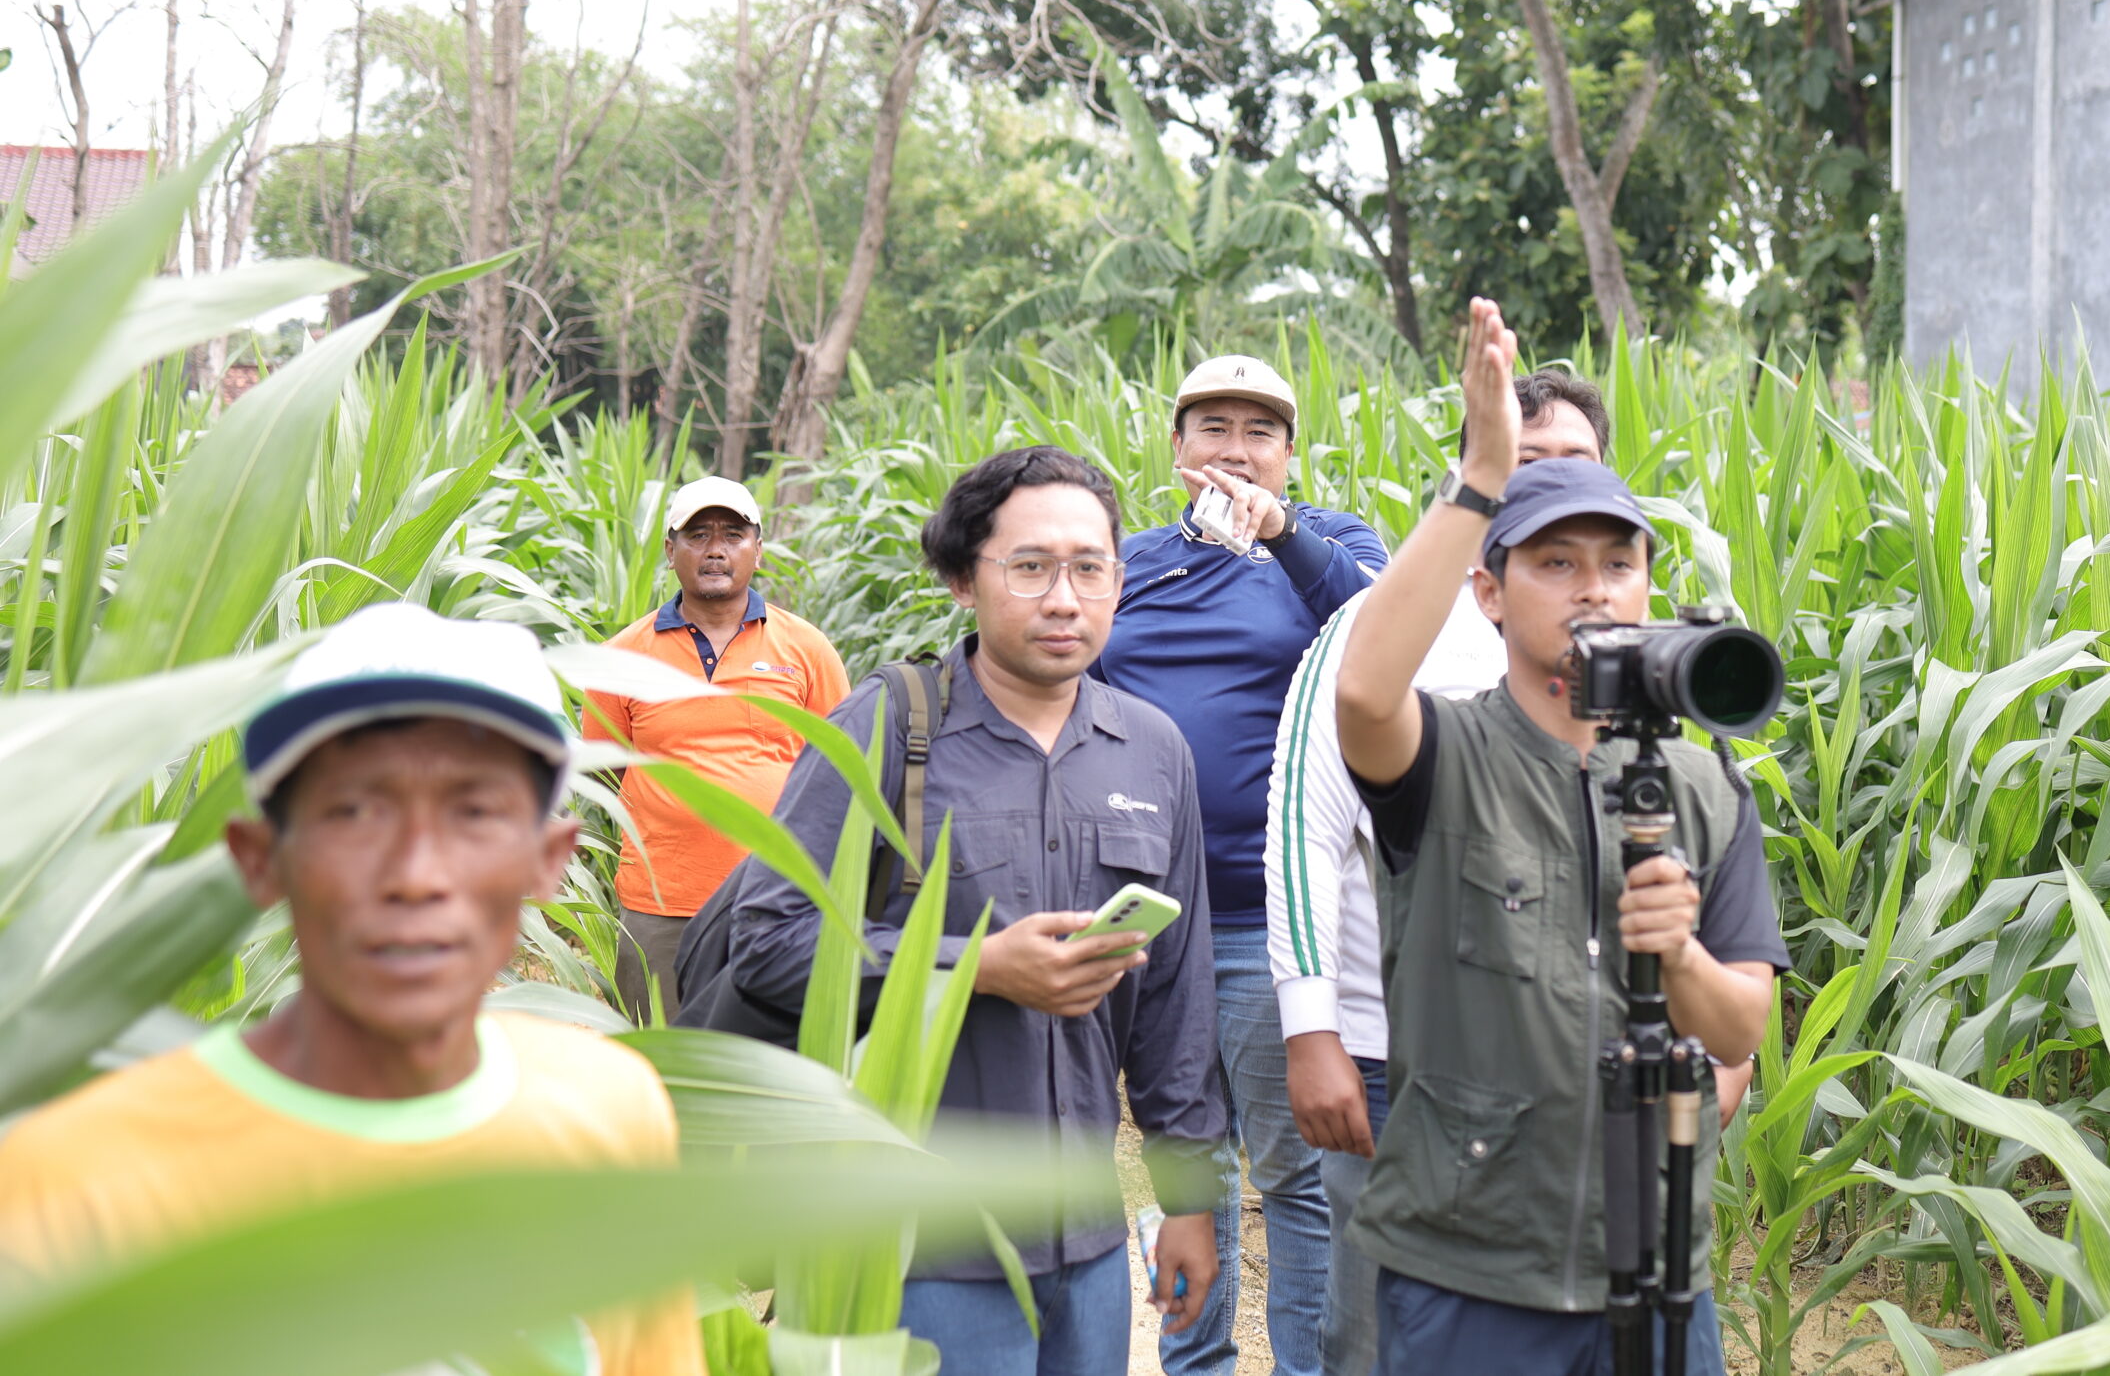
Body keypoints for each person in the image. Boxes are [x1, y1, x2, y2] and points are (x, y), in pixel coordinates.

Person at [0, 602, 705, 1376]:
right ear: (260, 858)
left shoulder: (611, 1115)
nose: (416, 874)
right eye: (354, 812)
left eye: (474, 812)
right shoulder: (73, 1183)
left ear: (549, 859)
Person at [1267, 373, 1768, 1376]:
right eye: (1554, 561)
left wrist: (1678, 958)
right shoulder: (1444, 755)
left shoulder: (1704, 785)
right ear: (1488, 591)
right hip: (1469, 1264)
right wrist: (1483, 476)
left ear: (1648, 587)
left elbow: (1739, 1027)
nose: (1593, 588)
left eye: (1618, 563)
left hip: (1658, 1260)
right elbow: (1364, 693)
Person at [726, 446, 1223, 1376]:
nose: (1065, 599)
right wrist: (978, 966)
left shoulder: (1153, 751)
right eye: (1030, 567)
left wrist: (1188, 1199)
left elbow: (1176, 1005)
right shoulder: (890, 725)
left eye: (1090, 567)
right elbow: (769, 940)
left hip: (1089, 1246)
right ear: (964, 579)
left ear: (1120, 580)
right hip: (921, 1245)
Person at [1091, 355, 1389, 1376]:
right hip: (1151, 921)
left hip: (1278, 922)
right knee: (1186, 1165)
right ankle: (1197, 1364)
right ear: (1177, 448)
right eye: (1212, 427)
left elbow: (1390, 637)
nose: (1235, 448)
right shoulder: (1125, 564)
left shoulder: (1332, 546)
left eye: (1259, 430)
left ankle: (1306, 1366)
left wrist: (1281, 533)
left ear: (1290, 453)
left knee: (1297, 1173)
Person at [582, 475, 850, 1019]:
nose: (715, 549)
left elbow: (840, 771)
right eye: (698, 535)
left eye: (732, 534)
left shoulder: (807, 649)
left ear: (758, 549)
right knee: (659, 1056)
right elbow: (604, 776)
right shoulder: (621, 658)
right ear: (670, 551)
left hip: (776, 904)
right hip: (660, 908)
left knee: (768, 1056)